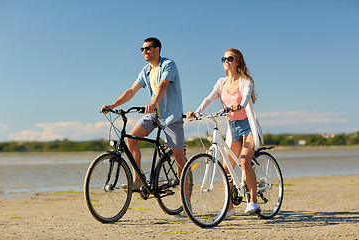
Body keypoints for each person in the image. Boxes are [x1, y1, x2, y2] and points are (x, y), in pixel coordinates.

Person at [187, 48, 264, 217]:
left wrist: (240, 106)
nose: (226, 61)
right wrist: (197, 112)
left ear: (238, 61)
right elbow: (209, 98)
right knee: (226, 168)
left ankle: (253, 202)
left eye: (230, 58)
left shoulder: (246, 81)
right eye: (223, 59)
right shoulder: (221, 82)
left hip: (248, 126)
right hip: (233, 128)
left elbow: (245, 98)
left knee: (244, 162)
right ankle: (229, 208)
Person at [102, 37, 186, 190]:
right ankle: (138, 180)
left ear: (157, 49)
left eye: (148, 48)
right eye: (142, 49)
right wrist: (112, 105)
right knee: (131, 140)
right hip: (154, 115)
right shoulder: (146, 71)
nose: (144, 51)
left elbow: (162, 85)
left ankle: (186, 200)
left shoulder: (168, 65)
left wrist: (153, 103)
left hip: (171, 116)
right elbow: (131, 91)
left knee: (179, 158)